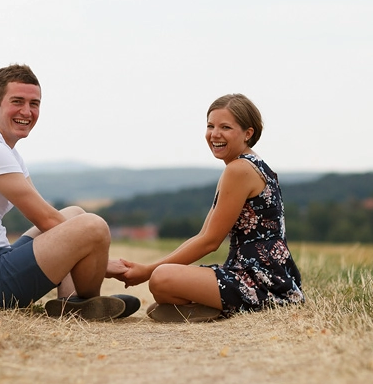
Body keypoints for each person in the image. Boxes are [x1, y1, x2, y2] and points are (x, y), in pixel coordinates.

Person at [0, 64, 138, 320]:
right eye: (17, 101)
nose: (27, 112)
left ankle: (70, 301)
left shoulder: (5, 150)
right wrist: (98, 263)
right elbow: (46, 220)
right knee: (93, 227)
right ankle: (87, 303)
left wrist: (87, 257)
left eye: (34, 103)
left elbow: (51, 217)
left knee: (74, 214)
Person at [119, 94, 304, 322]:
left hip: (260, 280)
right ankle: (216, 307)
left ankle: (231, 307)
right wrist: (149, 268)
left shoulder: (239, 169)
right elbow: (203, 235)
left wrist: (146, 271)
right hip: (259, 274)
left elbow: (210, 242)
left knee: (161, 279)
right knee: (163, 284)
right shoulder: (246, 165)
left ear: (248, 133)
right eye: (210, 126)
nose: (215, 134)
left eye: (225, 127)